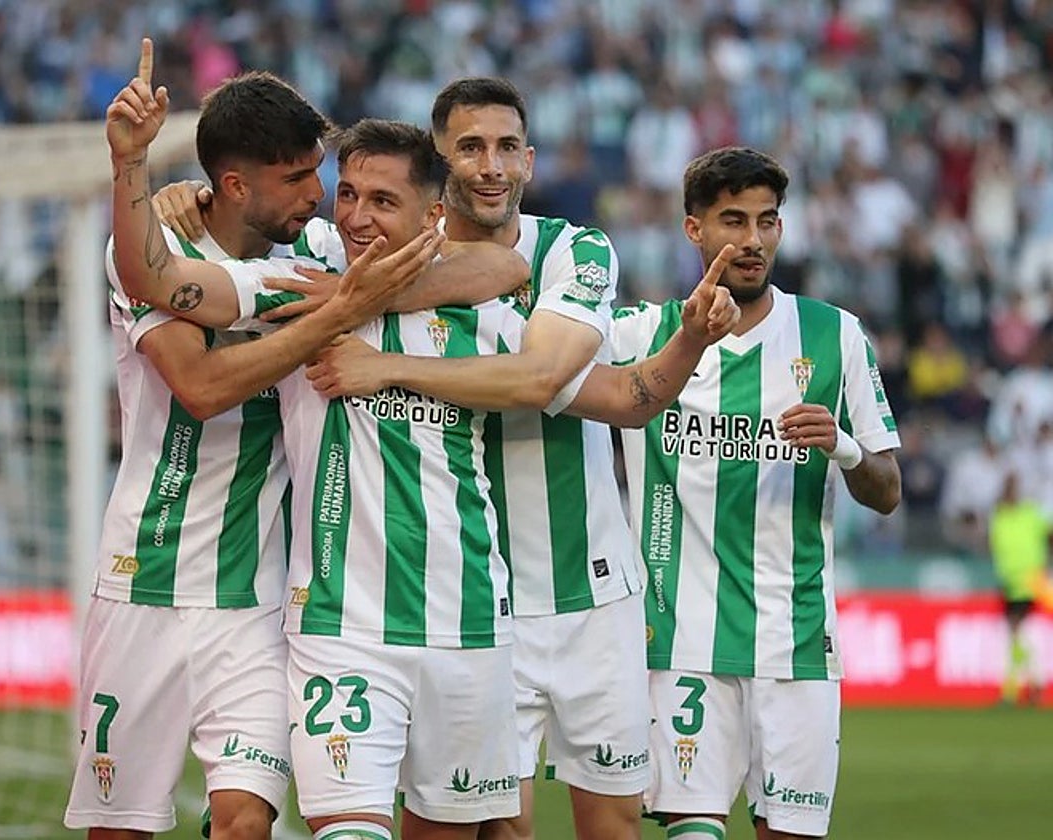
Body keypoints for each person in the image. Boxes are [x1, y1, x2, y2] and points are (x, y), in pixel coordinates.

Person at [107, 52, 530, 840]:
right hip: (314, 615)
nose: (353, 214)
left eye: (381, 199)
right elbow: (165, 287)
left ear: (432, 215)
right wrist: (135, 169)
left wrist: (367, 302)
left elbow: (504, 263)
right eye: (343, 193)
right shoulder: (298, 274)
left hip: (465, 617)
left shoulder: (478, 301)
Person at [306, 77, 657, 840]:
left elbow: (540, 377)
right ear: (438, 165)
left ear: (529, 161)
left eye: (505, 148)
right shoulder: (373, 244)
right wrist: (182, 203)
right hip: (465, 597)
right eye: (469, 147)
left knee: (614, 827)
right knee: (497, 830)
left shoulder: (575, 248)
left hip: (590, 587)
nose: (491, 166)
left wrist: (385, 359)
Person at [560, 147, 902, 840]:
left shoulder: (835, 336)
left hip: (798, 643)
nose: (753, 240)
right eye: (734, 221)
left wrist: (842, 446)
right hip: (678, 640)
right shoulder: (641, 338)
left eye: (768, 221)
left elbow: (887, 490)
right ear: (694, 230)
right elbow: (540, 375)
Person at [988, 471, 1049, 706]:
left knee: (1016, 632)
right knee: (1016, 636)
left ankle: (1019, 687)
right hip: (1010, 583)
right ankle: (1030, 682)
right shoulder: (1001, 517)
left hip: (1030, 581)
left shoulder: (1029, 514)